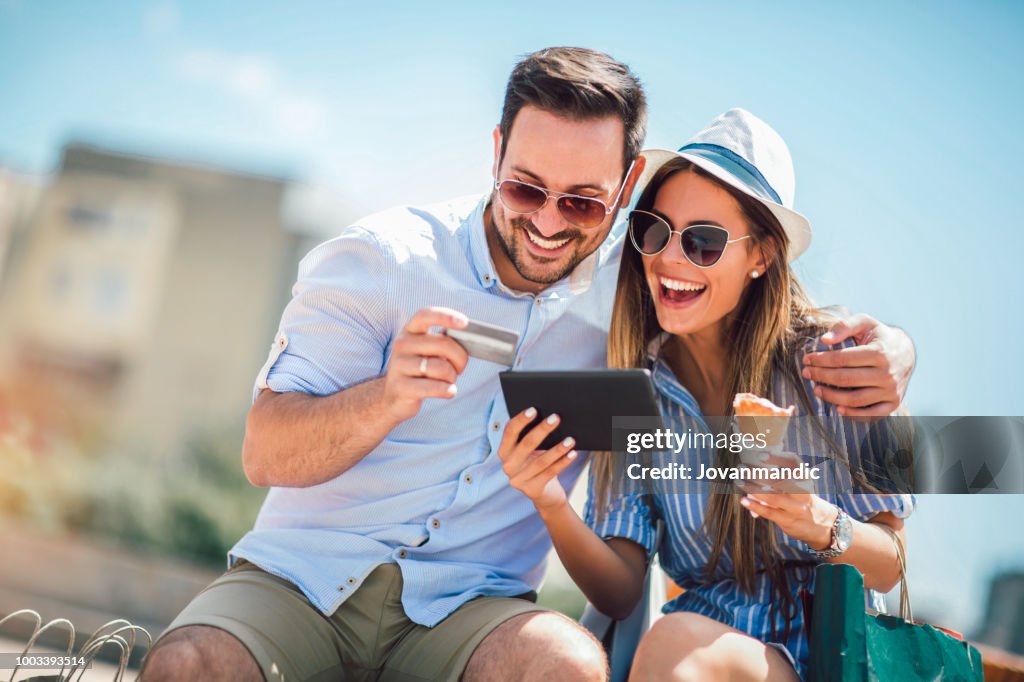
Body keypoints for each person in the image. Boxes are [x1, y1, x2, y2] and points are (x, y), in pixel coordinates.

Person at [140, 49, 915, 682]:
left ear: (619, 194)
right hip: (307, 580)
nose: (548, 220)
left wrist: (895, 356)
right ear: (496, 154)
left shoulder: (679, 313)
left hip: (485, 615)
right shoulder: (391, 264)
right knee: (189, 666)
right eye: (524, 187)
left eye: (582, 202)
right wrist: (391, 398)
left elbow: (915, 512)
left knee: (583, 664)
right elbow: (263, 452)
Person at [498, 108, 914, 681]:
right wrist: (548, 499)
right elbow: (620, 591)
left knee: (675, 645)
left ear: (762, 255)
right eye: (654, 230)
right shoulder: (635, 391)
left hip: (826, 660)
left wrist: (814, 518)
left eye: (704, 242)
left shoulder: (838, 366)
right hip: (687, 653)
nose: (669, 258)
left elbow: (892, 565)